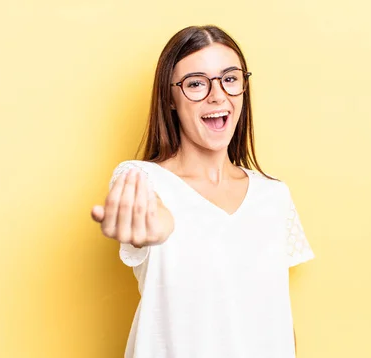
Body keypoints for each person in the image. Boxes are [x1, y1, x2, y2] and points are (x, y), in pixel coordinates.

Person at [91, 25, 314, 358]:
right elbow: (153, 217)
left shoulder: (274, 195)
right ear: (170, 97)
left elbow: (277, 317)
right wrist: (161, 227)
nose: (217, 95)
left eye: (230, 78)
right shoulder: (143, 179)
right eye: (196, 83)